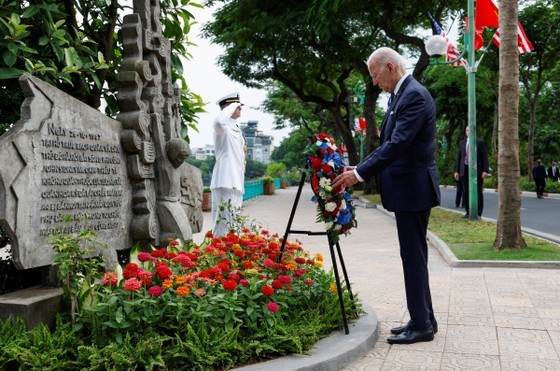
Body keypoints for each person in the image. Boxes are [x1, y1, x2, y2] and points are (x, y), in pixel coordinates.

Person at [332, 47, 440, 345]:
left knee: (413, 257)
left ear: (390, 67)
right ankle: (424, 318)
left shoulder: (414, 96)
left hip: (413, 189)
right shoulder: (399, 97)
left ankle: (421, 325)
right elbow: (389, 144)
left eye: (375, 74)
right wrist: (361, 166)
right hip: (409, 189)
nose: (375, 81)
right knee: (414, 255)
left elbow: (398, 144)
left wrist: (359, 174)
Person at [210, 92, 246, 237]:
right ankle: (218, 249)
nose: (240, 109)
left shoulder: (236, 127)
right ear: (229, 108)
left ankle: (232, 248)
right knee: (223, 218)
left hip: (237, 179)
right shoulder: (222, 127)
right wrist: (227, 110)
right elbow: (218, 123)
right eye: (237, 107)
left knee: (234, 219)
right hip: (224, 178)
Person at [453, 127, 489, 218]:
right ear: (465, 132)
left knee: (478, 191)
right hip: (464, 169)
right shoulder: (462, 143)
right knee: (466, 191)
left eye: (470, 130)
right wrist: (456, 171)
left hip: (477, 169)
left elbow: (485, 157)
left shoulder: (480, 143)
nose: (468, 132)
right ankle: (468, 212)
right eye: (467, 130)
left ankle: (478, 213)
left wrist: (485, 170)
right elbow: (459, 158)